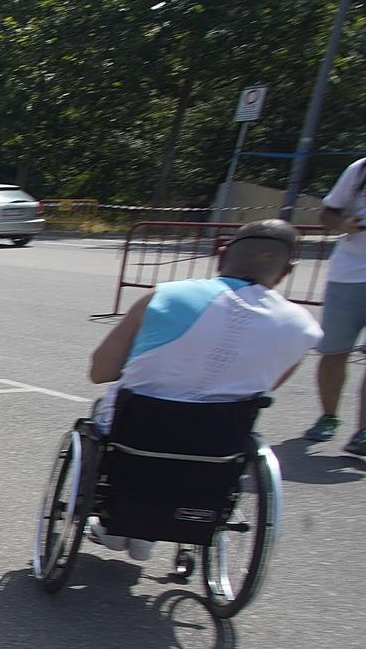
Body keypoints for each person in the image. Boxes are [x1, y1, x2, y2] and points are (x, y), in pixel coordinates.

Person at [86, 218, 321, 558]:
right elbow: (264, 390)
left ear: (220, 254)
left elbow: (100, 371)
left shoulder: (165, 296)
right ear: (287, 271)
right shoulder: (303, 327)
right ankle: (162, 529)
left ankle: (122, 522)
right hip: (220, 439)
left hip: (137, 428)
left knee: (107, 416)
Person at [308, 156, 366, 454]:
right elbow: (327, 215)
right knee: (334, 352)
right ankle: (328, 416)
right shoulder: (360, 170)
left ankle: (363, 432)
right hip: (349, 276)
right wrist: (344, 223)